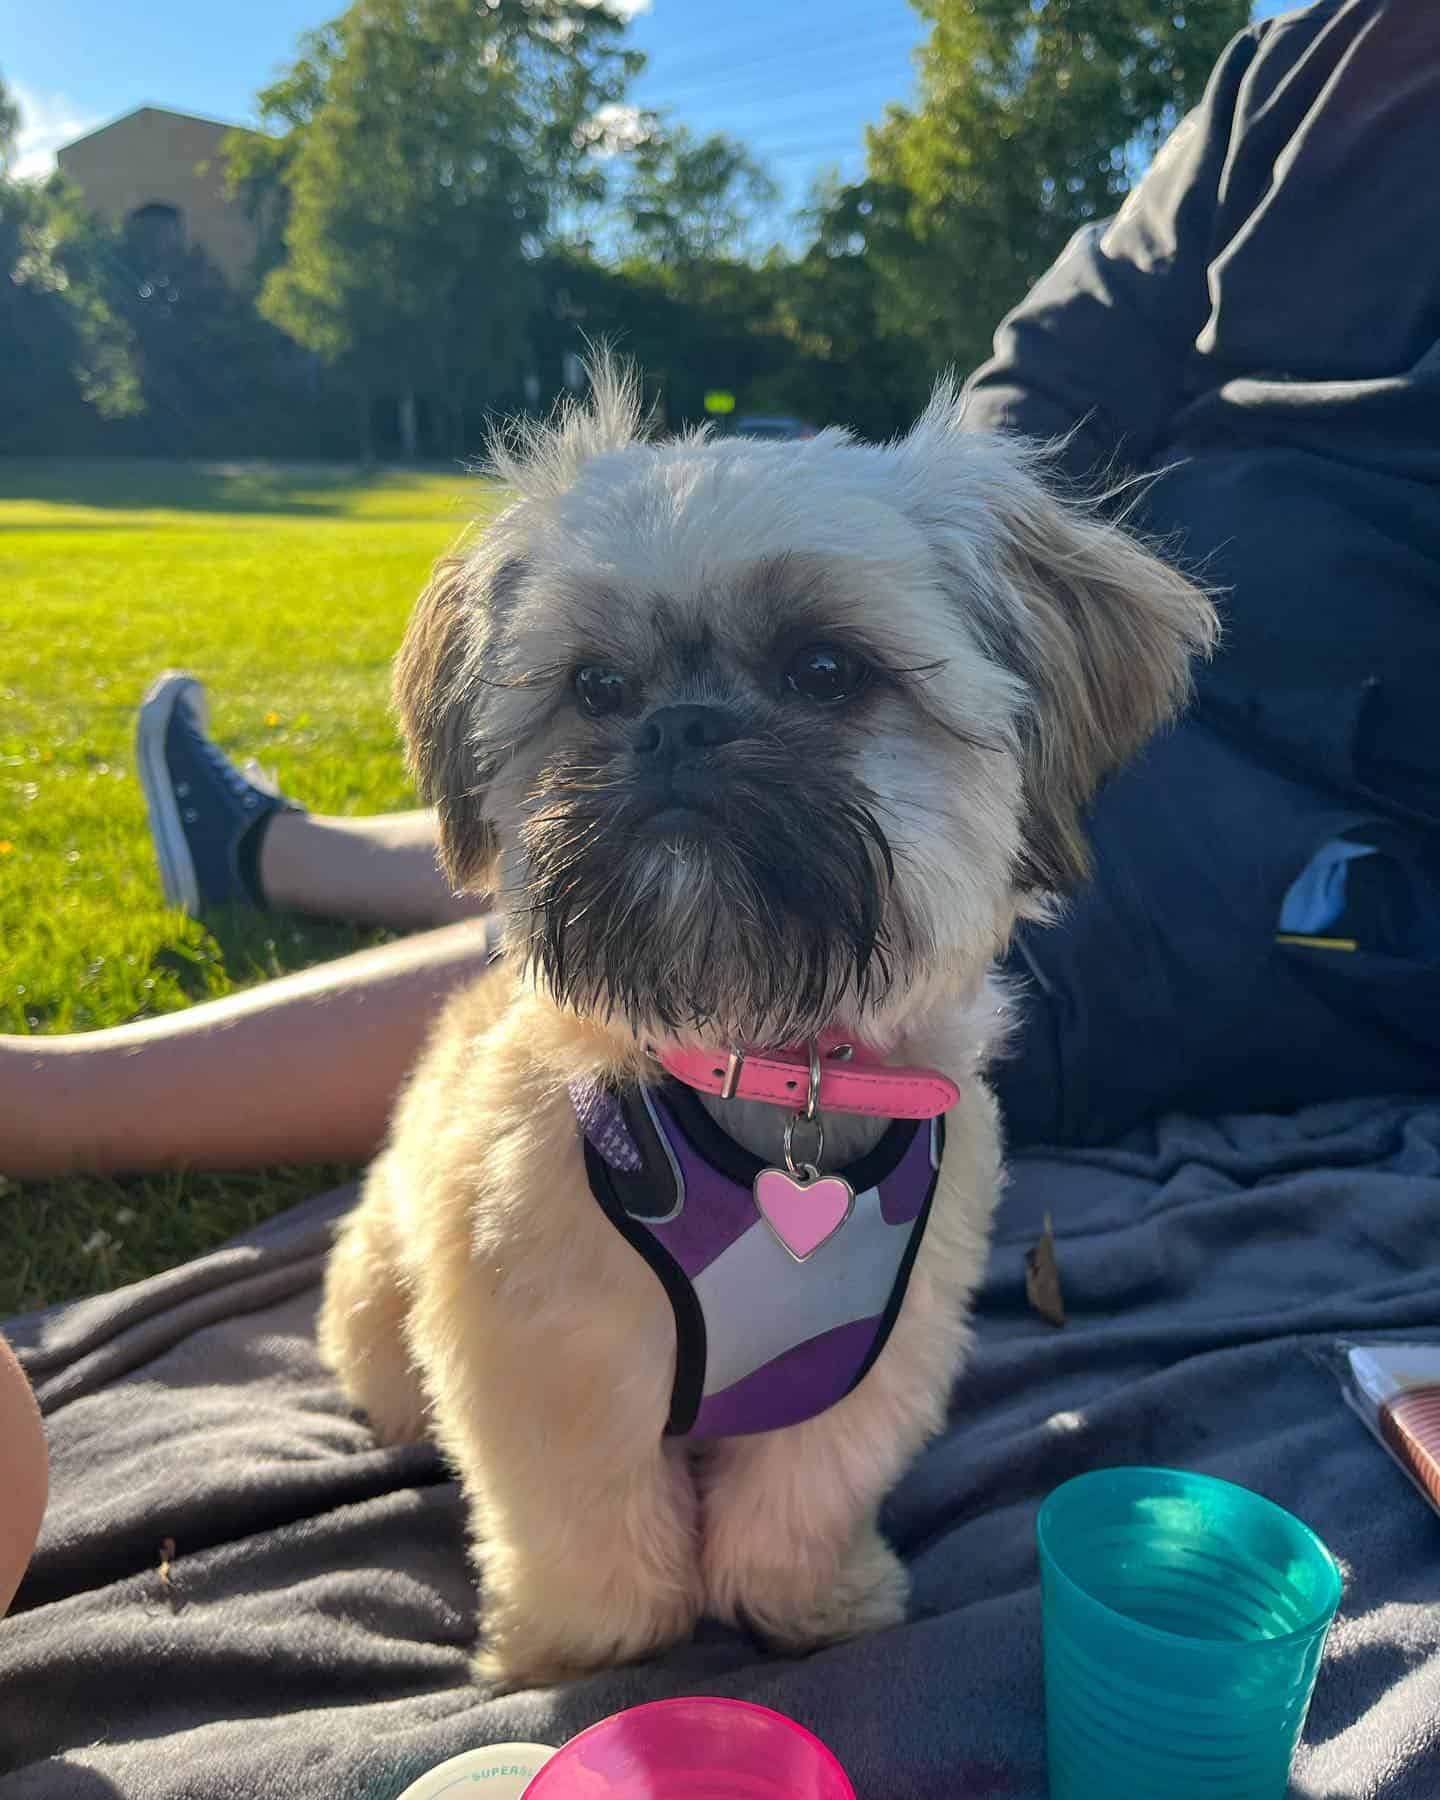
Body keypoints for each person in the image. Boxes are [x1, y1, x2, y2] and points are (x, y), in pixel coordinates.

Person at [3, 0, 1437, 1182]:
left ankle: (44, 1103)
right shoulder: (1308, 58)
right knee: (635, 782)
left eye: (823, 676)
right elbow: (1049, 379)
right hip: (1070, 647)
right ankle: (286, 853)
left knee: (841, 933)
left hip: (1357, 789)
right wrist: (847, 531)